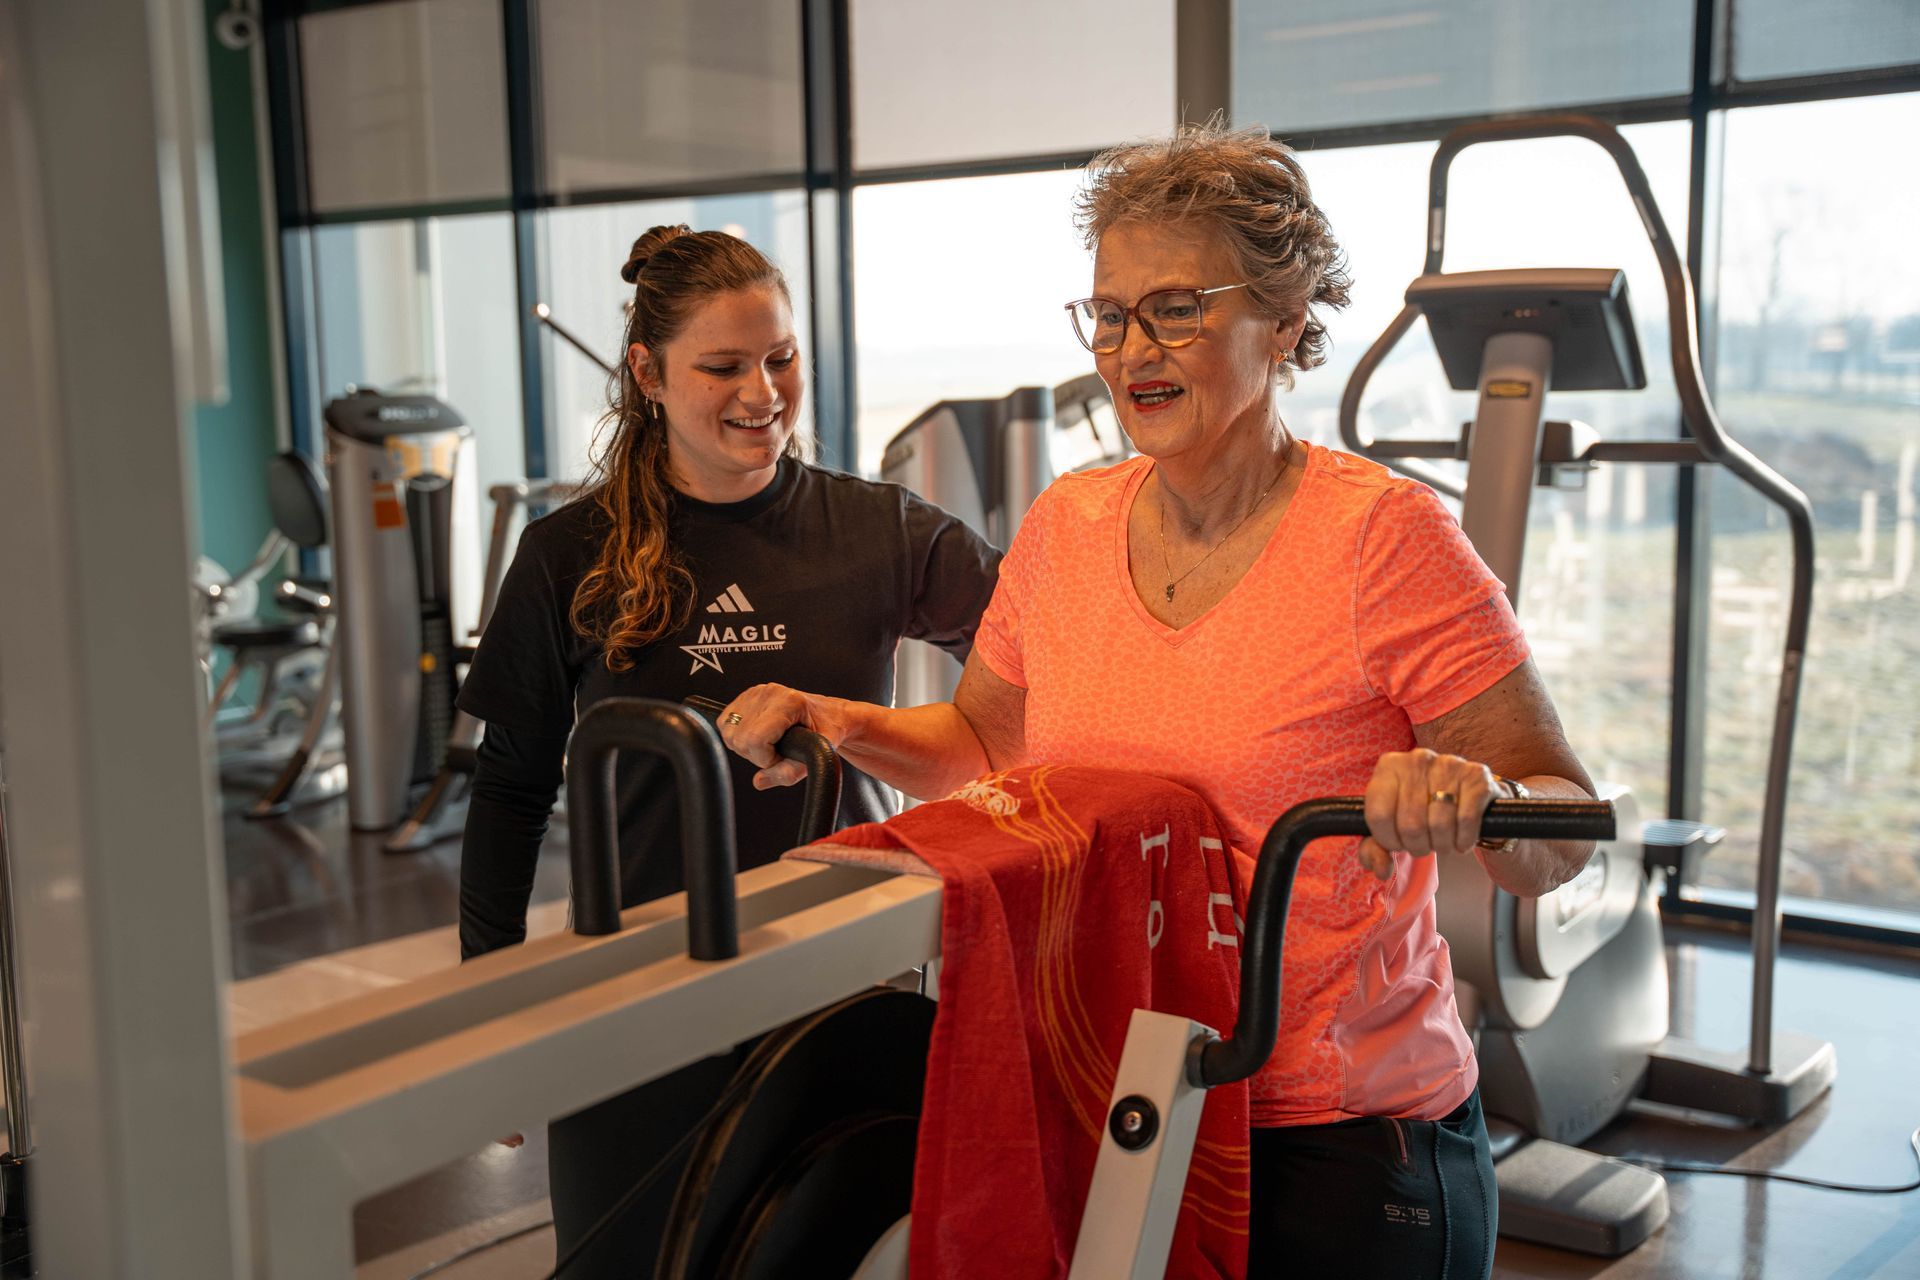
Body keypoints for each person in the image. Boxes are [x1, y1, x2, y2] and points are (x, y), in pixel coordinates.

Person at [714, 124, 1598, 1279]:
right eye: (1112, 312)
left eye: (1177, 308)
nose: (1134, 346)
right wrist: (843, 721)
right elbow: (986, 744)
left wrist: (1478, 800)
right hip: (1138, 1094)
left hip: (1340, 1142)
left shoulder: (1386, 541)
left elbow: (1561, 821)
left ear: (1283, 322)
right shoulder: (1067, 527)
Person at [455, 224, 1000, 1275]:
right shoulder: (567, 553)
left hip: (834, 984)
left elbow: (1041, 652)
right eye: (724, 365)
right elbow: (511, 788)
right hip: (636, 990)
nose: (764, 389)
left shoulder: (881, 530)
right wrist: (496, 1004)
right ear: (648, 373)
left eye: (782, 355)